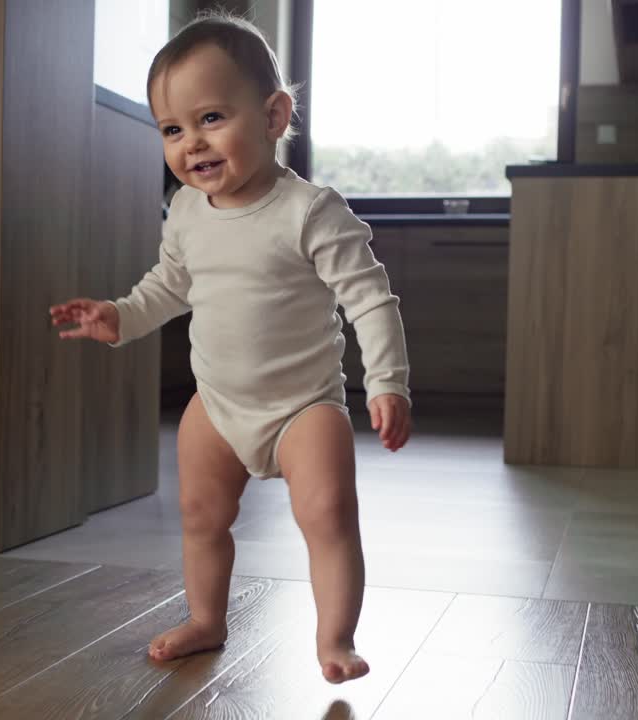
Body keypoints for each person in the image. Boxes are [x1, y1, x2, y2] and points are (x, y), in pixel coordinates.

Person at [49, 12, 411, 684]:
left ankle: (335, 637)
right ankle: (206, 618)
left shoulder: (309, 210)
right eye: (172, 129)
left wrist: (387, 383)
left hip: (304, 406)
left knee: (328, 514)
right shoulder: (185, 211)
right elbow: (168, 287)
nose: (192, 143)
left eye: (211, 117)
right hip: (217, 404)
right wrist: (119, 317)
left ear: (274, 115)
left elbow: (370, 297)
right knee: (200, 516)